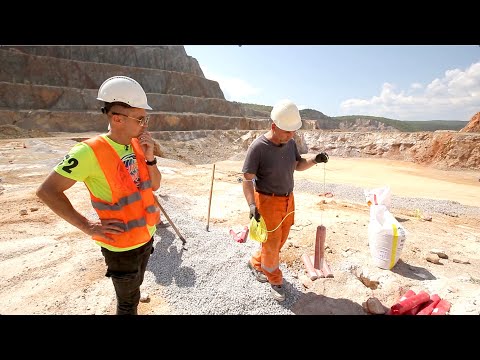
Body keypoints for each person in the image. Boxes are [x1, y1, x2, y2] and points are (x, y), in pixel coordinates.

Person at [36, 75, 162, 315]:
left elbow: (154, 185)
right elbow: (47, 191)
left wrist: (150, 158)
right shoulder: (88, 152)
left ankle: (135, 293)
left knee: (133, 291)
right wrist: (88, 226)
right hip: (121, 247)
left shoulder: (137, 145)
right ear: (117, 118)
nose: (145, 125)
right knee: (126, 305)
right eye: (140, 118)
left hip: (146, 236)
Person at [242, 99, 329, 302]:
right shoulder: (258, 148)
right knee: (272, 244)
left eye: (293, 132)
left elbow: (297, 165)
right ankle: (275, 279)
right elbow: (246, 180)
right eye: (287, 131)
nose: (292, 136)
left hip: (288, 200)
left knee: (279, 240)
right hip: (267, 202)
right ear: (274, 126)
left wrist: (315, 160)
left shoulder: (289, 143)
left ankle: (256, 263)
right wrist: (252, 205)